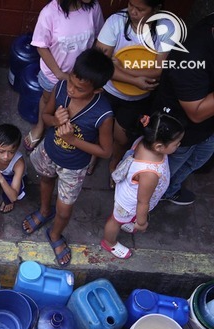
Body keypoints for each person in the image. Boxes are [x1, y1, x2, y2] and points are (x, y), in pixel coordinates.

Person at [22, 48, 114, 267]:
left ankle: (55, 234)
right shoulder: (62, 86)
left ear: (98, 89)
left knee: (64, 210)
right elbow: (45, 115)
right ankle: (44, 211)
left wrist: (73, 140)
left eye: (80, 88)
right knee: (45, 179)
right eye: (71, 81)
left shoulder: (103, 114)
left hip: (73, 167)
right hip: (49, 151)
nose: (72, 90)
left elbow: (106, 151)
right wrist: (54, 121)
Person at [94, 0, 170, 184]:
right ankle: (93, 154)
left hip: (137, 98)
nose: (133, 12)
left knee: (121, 137)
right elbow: (100, 63)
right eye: (130, 5)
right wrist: (135, 79)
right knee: (97, 127)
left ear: (156, 9)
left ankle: (115, 161)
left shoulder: (166, 27)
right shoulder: (116, 22)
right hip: (108, 90)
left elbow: (160, 69)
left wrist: (123, 68)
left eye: (140, 9)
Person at [24, 0, 104, 152]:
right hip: (54, 74)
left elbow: (98, 39)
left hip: (82, 78)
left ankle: (63, 133)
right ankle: (41, 126)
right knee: (48, 100)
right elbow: (41, 46)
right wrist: (59, 73)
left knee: (73, 105)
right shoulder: (50, 13)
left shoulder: (94, 7)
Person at [101, 113, 183, 259]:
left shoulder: (144, 141)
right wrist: (141, 222)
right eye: (176, 143)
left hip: (128, 190)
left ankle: (127, 220)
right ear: (159, 146)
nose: (179, 145)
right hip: (129, 203)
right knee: (115, 220)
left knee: (122, 217)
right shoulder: (150, 173)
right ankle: (109, 242)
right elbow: (142, 201)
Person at [154, 14, 214, 206]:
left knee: (195, 163)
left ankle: (170, 190)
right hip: (182, 132)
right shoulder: (192, 57)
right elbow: (196, 113)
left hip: (207, 128)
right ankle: (148, 201)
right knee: (165, 171)